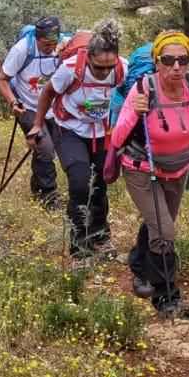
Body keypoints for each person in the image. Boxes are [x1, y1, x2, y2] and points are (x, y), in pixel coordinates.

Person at [109, 31, 189, 318]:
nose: (176, 67)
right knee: (164, 232)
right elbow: (117, 137)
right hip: (143, 169)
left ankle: (138, 268)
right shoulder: (143, 88)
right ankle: (166, 299)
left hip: (178, 168)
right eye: (168, 60)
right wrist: (134, 111)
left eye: (183, 60)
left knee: (158, 224)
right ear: (157, 61)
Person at [29, 19, 124, 257]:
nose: (104, 72)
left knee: (101, 185)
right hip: (69, 128)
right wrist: (38, 125)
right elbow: (48, 92)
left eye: (109, 67)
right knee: (81, 183)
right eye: (98, 67)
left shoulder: (123, 68)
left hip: (103, 132)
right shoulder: (72, 68)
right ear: (88, 58)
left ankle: (100, 236)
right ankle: (79, 245)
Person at [0, 17, 67, 208]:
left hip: (57, 110)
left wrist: (65, 52)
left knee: (48, 149)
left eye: (53, 43)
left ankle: (36, 185)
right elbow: (2, 80)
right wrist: (12, 103)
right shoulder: (22, 50)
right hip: (27, 107)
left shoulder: (65, 47)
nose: (50, 48)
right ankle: (48, 195)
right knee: (44, 147)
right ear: (37, 38)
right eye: (46, 44)